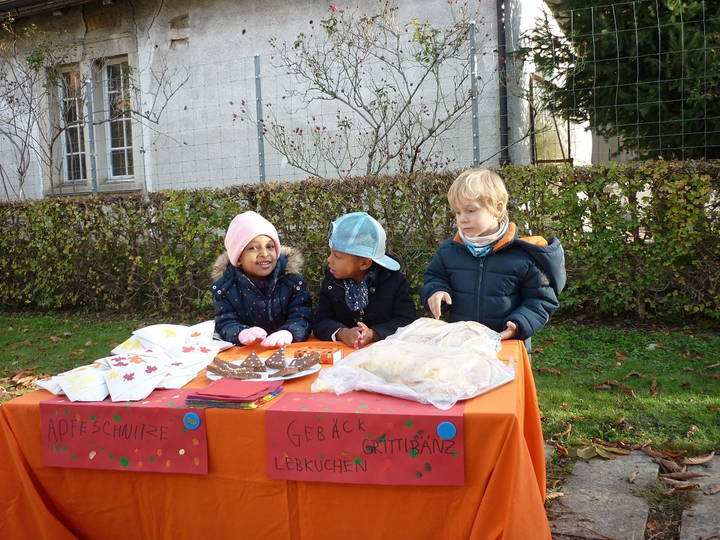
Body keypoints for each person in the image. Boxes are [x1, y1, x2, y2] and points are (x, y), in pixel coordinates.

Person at [420, 169, 565, 346]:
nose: (462, 219)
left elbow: (541, 299)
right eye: (457, 212)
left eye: (470, 210)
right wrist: (436, 291)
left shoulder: (523, 256)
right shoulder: (449, 251)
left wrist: (519, 324)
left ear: (498, 208)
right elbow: (434, 278)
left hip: (505, 345)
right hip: (460, 345)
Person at [314, 211, 417, 348]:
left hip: (386, 352)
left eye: (337, 256)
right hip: (343, 353)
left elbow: (407, 320)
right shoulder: (331, 282)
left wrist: (374, 334)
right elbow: (321, 321)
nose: (329, 260)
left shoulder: (393, 281)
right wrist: (343, 333)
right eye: (330, 253)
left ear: (365, 263)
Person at [210, 211, 312, 347]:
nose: (264, 253)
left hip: (288, 349)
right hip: (246, 354)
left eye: (270, 246)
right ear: (238, 257)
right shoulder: (225, 287)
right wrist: (241, 333)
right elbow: (226, 321)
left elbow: (302, 315)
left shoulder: (292, 281)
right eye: (253, 248)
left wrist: (289, 332)